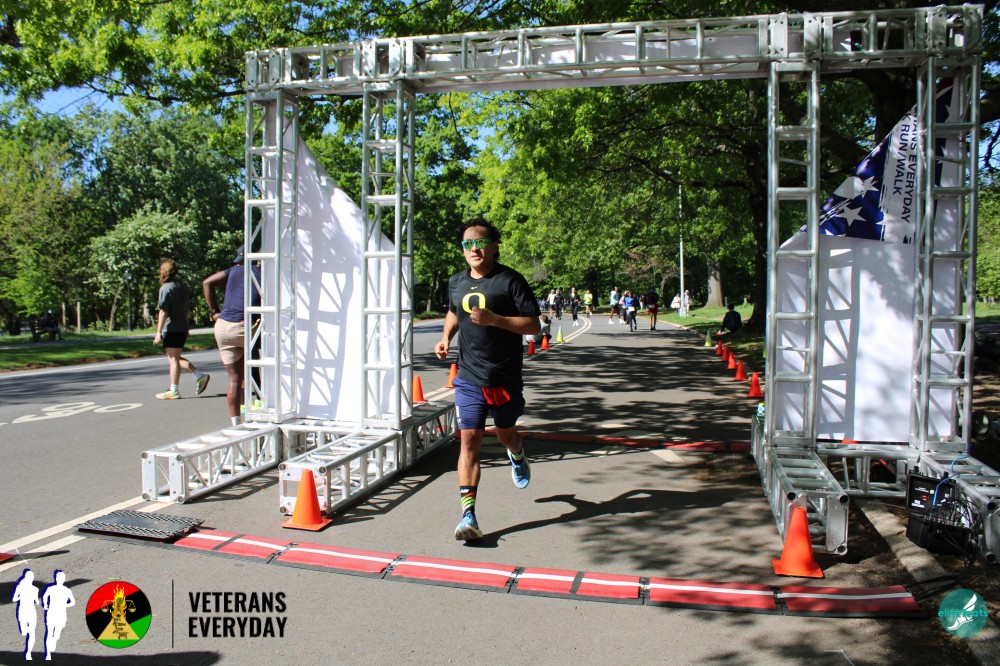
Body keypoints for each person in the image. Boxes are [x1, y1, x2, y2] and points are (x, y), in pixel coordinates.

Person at [435, 219, 540, 541]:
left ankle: (517, 452)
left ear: (494, 246)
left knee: (506, 433)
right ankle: (468, 515)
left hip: (504, 376)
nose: (474, 249)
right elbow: (454, 310)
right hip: (469, 376)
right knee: (469, 440)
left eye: (480, 242)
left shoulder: (510, 280)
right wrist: (446, 337)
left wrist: (495, 319)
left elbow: (533, 325)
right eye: (467, 244)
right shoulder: (456, 281)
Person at [203, 246, 261, 426]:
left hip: (222, 327)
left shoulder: (232, 271)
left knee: (234, 379)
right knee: (265, 365)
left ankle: (236, 423)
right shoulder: (260, 273)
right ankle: (263, 405)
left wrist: (214, 312)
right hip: (244, 326)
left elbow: (207, 283)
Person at [153, 259, 209, 400]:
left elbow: (163, 311)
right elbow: (186, 308)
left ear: (163, 271)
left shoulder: (166, 288)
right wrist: (186, 326)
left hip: (171, 328)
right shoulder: (181, 286)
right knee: (175, 358)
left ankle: (174, 390)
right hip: (181, 327)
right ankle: (199, 376)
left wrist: (158, 332)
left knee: (173, 360)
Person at [41, 570, 75, 661]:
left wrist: (65, 605)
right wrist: (45, 604)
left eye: (62, 578)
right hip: (51, 612)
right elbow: (45, 596)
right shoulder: (50, 589)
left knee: (57, 634)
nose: (60, 579)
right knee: (49, 632)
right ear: (56, 578)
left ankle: (54, 639)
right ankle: (48, 654)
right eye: (59, 578)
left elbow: (72, 602)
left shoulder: (67, 590)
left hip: (61, 613)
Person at [12, 568, 39, 660]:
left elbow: (14, 599)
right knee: (29, 633)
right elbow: (36, 601)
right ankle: (28, 653)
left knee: (27, 632)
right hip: (30, 611)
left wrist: (21, 597)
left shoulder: (20, 587)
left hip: (23, 610)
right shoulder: (35, 589)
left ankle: (28, 653)